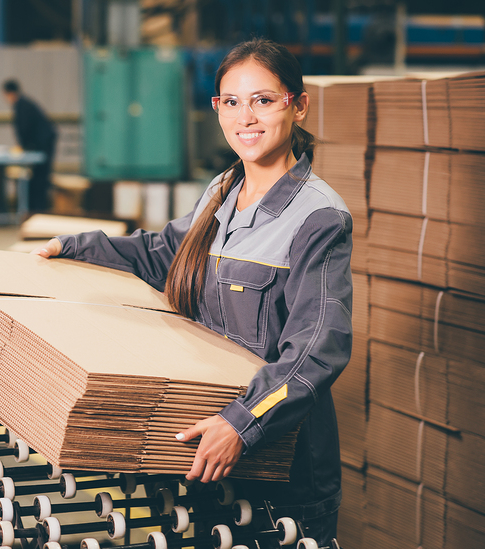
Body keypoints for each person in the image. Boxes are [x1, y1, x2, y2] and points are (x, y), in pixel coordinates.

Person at [34, 38, 351, 546]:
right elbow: (164, 255)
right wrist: (73, 247)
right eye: (231, 102)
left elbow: (318, 349)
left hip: (280, 466)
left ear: (299, 104)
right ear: (216, 109)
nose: (245, 117)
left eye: (263, 100)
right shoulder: (223, 189)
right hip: (199, 452)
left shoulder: (317, 217)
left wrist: (241, 424)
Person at [2, 79, 58, 212]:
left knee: (40, 179)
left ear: (8, 93)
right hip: (44, 142)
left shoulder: (21, 105)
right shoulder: (25, 103)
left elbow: (23, 129)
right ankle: (37, 210)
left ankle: (38, 211)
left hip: (44, 144)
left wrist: (23, 146)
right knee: (39, 178)